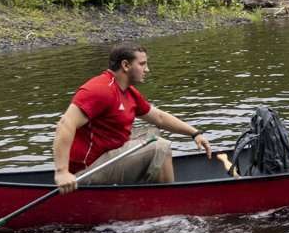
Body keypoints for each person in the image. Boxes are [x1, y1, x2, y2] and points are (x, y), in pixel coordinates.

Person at [53, 45, 212, 193]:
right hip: (84, 173)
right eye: (142, 64)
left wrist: (195, 133)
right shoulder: (100, 90)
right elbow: (65, 124)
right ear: (126, 65)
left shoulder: (128, 92)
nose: (147, 69)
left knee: (152, 133)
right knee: (160, 147)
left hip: (105, 158)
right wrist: (62, 172)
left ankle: (149, 189)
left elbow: (159, 118)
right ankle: (168, 202)